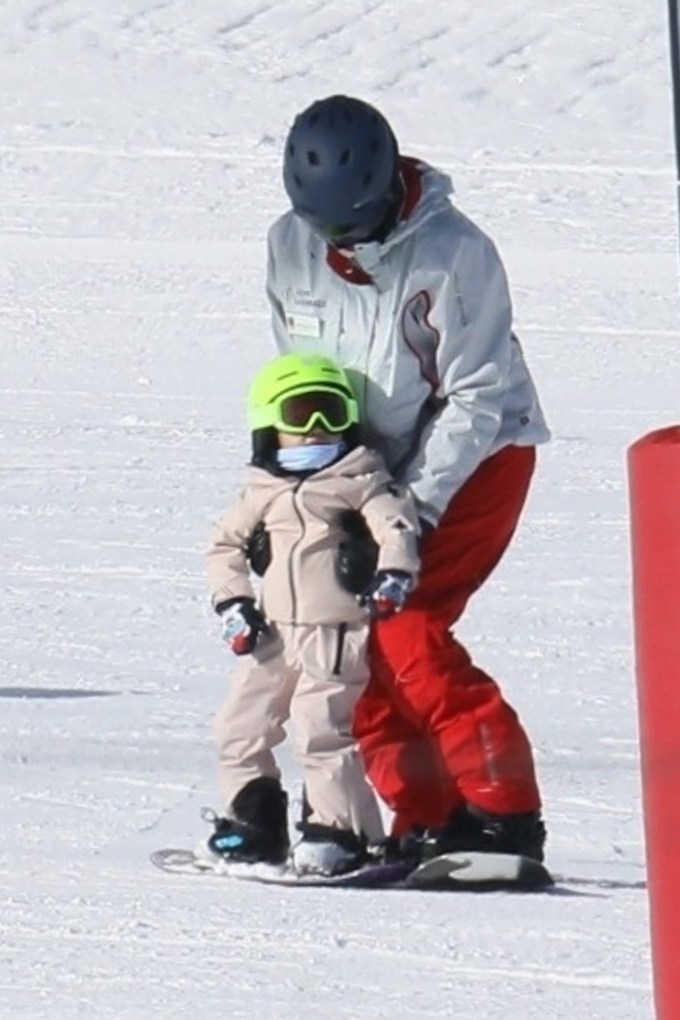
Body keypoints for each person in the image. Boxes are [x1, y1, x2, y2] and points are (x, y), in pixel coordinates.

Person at [264, 94, 552, 863]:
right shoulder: (289, 248)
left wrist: (410, 513)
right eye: (327, 230)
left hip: (477, 460)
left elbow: (479, 395)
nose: (341, 245)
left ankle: (503, 814)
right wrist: (302, 497)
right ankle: (426, 814)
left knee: (404, 626)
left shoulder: (454, 254)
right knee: (347, 636)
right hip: (368, 472)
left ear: (389, 188)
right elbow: (301, 380)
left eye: (355, 227)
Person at [201, 351, 420, 876]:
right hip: (273, 634)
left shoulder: (360, 480)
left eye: (332, 413)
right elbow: (222, 547)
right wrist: (235, 602)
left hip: (335, 633)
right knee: (239, 726)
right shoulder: (262, 491)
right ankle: (253, 824)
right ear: (270, 426)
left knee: (319, 727)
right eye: (302, 416)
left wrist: (393, 574)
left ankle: (339, 832)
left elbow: (397, 528)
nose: (319, 430)